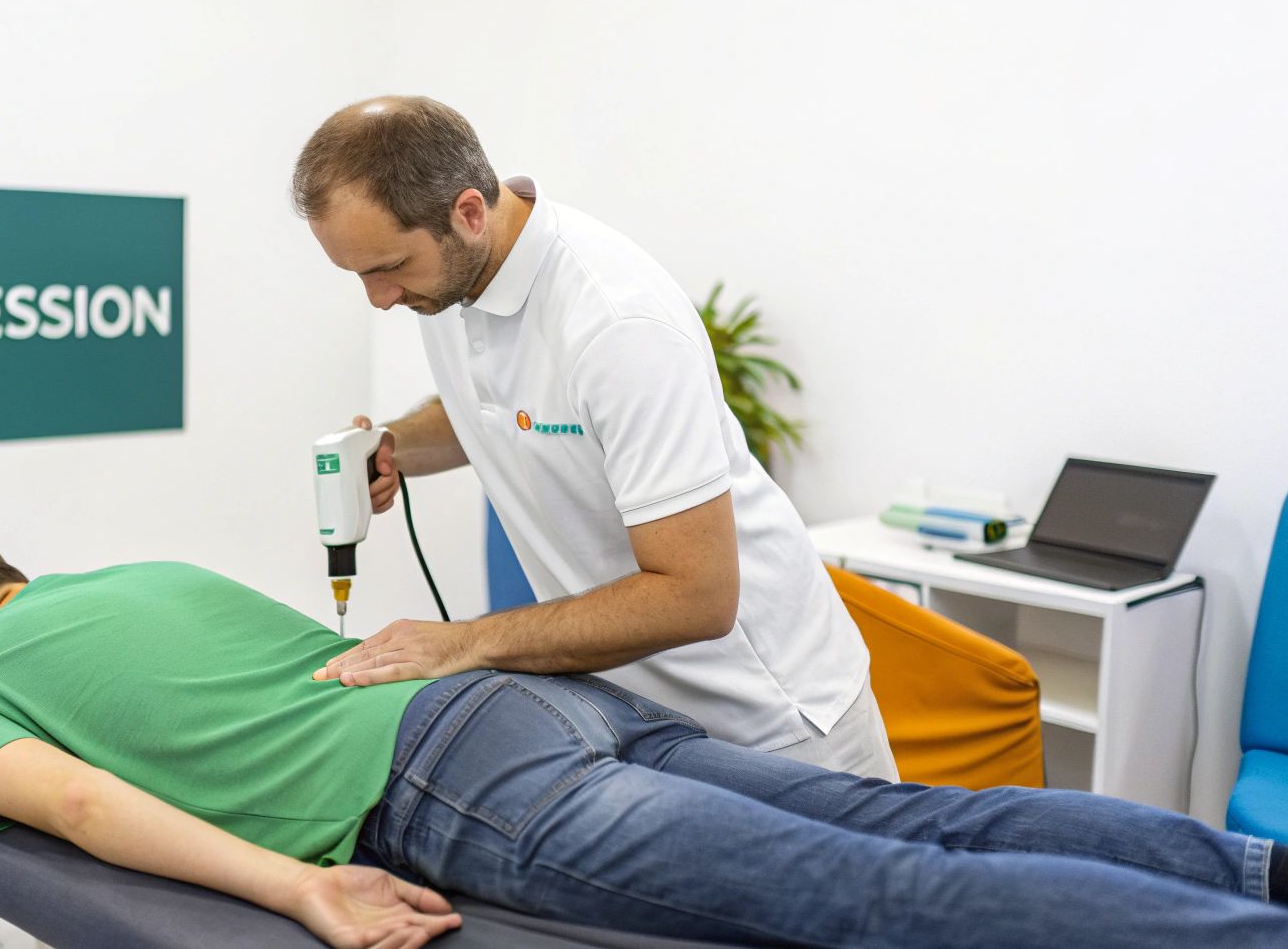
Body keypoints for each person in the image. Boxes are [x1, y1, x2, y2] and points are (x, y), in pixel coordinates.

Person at [0, 514, 1288, 949]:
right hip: (525, 699)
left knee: (881, 904)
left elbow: (70, 808)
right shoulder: (142, 568)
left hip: (449, 786)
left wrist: (301, 886)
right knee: (923, 824)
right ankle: (1272, 879)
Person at [293, 96, 894, 780]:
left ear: (466, 213)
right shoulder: (450, 279)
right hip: (635, 715)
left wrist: (461, 644)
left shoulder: (616, 323)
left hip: (772, 724)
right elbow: (493, 408)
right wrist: (395, 443)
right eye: (360, 273)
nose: (380, 298)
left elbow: (696, 597)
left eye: (388, 267)